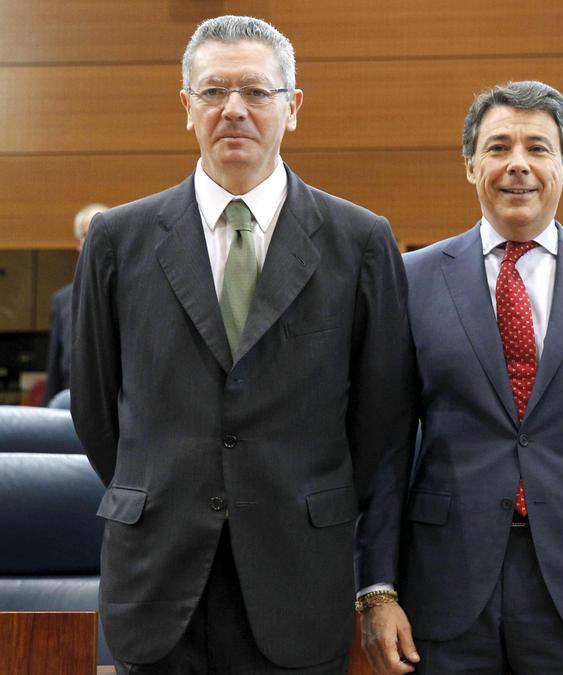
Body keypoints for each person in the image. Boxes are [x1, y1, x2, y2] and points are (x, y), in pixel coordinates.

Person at [71, 15, 414, 673]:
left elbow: (381, 420)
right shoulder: (120, 240)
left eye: (256, 92)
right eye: (213, 91)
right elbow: (94, 407)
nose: (234, 109)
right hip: (158, 578)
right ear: (186, 107)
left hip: (298, 573)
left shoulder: (361, 241)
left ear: (293, 108)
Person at [355, 80, 563, 674]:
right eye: (499, 147)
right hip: (442, 584)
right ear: (471, 165)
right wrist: (377, 588)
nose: (518, 166)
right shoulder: (412, 278)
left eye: (538, 148)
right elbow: (386, 444)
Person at [44, 202, 106, 405]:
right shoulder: (62, 300)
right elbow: (54, 366)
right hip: (69, 405)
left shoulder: (134, 292)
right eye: (89, 234)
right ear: (78, 243)